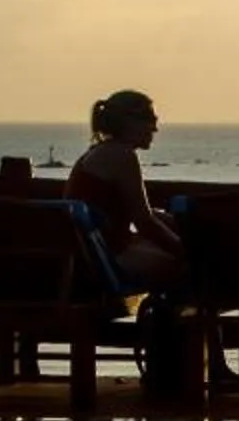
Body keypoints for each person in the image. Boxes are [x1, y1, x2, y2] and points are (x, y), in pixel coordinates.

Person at [66, 89, 186, 290]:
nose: (155, 128)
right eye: (150, 119)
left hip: (95, 251)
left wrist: (185, 226)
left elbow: (142, 214)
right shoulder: (122, 155)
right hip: (106, 257)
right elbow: (144, 221)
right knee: (189, 266)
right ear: (130, 122)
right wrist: (185, 249)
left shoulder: (102, 151)